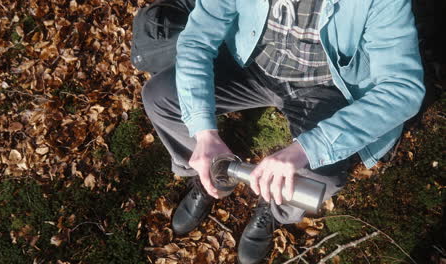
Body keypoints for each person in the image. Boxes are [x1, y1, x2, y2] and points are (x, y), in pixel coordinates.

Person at [140, 0, 425, 262]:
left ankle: (276, 207)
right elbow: (197, 40)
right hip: (252, 63)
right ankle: (209, 174)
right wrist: (203, 131)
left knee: (321, 175)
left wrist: (307, 149)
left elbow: (402, 88)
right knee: (160, 97)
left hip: (324, 84)